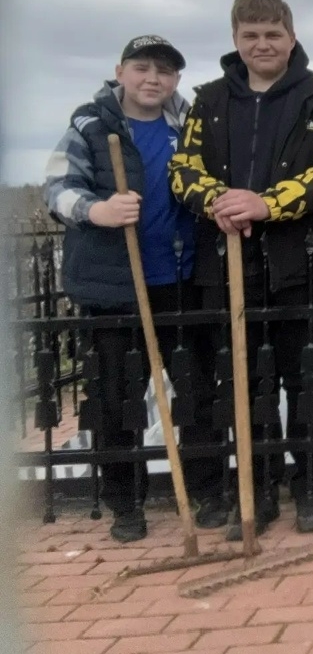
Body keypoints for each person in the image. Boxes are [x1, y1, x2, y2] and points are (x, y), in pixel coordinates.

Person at [170, 0, 313, 537]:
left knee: (307, 377)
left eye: (272, 34)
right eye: (251, 35)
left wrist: (267, 203)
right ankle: (257, 490)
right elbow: (182, 168)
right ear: (235, 40)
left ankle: (311, 487)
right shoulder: (208, 100)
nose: (262, 44)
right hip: (226, 259)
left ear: (291, 37)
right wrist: (218, 201)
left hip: (300, 260)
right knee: (244, 382)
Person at [44, 36, 222, 543]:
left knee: (196, 395)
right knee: (117, 399)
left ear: (176, 80)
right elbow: (57, 186)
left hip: (182, 281)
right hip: (116, 286)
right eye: (142, 68)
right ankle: (125, 504)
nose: (153, 79)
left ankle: (209, 493)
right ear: (120, 71)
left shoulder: (190, 125)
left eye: (164, 72)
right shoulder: (92, 124)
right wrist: (96, 210)